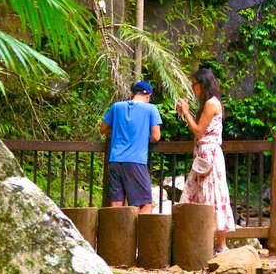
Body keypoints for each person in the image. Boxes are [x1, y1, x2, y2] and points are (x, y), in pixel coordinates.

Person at [176, 68, 236, 252]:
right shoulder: (210, 103)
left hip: (208, 155)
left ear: (203, 84)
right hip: (204, 154)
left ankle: (220, 244)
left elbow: (198, 131)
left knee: (213, 194)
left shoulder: (211, 104)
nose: (193, 88)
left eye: (194, 84)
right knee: (199, 193)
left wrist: (186, 112)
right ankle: (204, 241)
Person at [101, 81, 162, 214]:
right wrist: (146, 138)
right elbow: (156, 136)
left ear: (132, 93)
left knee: (116, 202)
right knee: (145, 204)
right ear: (148, 96)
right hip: (136, 161)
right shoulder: (151, 109)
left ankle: (116, 234)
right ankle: (139, 234)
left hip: (115, 159)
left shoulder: (116, 107)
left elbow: (103, 129)